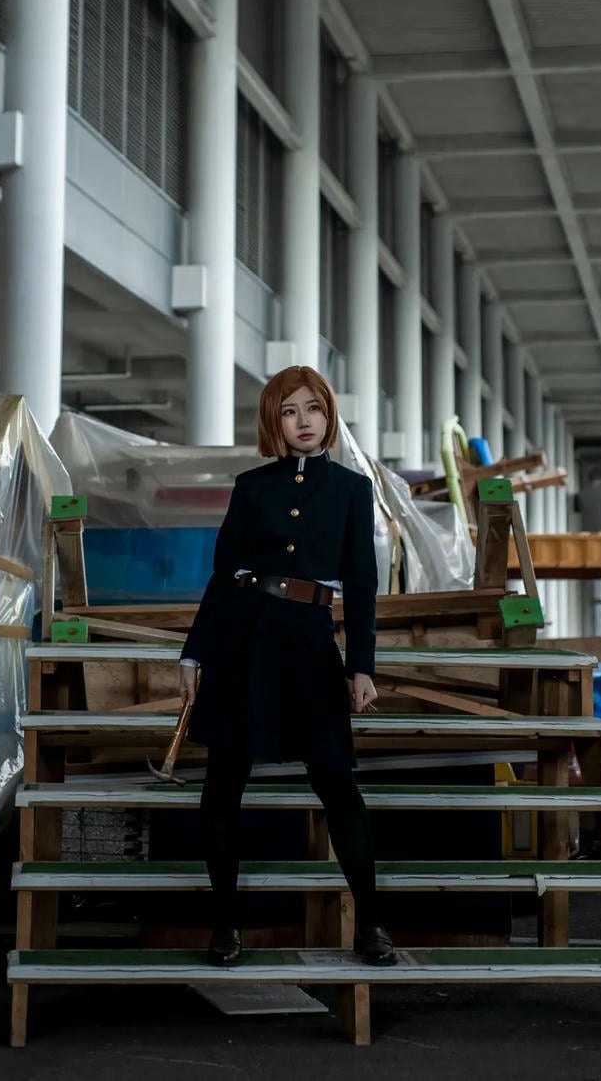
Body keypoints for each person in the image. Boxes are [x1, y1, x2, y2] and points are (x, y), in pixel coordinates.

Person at [178, 366, 396, 968]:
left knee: (337, 784)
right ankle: (225, 926)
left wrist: (361, 666)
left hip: (308, 643)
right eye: (290, 411)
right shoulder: (251, 487)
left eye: (314, 408)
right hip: (242, 641)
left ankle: (371, 925)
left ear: (329, 416)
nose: (304, 421)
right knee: (223, 786)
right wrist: (194, 652)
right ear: (273, 421)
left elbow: (363, 584)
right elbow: (222, 577)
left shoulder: (352, 489)